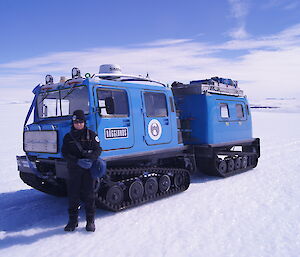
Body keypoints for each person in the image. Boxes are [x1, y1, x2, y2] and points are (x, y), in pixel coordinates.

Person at [62, 109, 102, 232]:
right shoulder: (68, 137)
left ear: (84, 122)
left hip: (88, 171)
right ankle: (72, 221)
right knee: (73, 196)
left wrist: (90, 160)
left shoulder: (92, 135)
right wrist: (76, 161)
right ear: (73, 123)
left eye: (80, 122)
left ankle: (90, 221)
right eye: (76, 122)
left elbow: (98, 150)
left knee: (89, 196)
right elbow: (65, 153)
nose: (78, 124)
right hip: (74, 170)